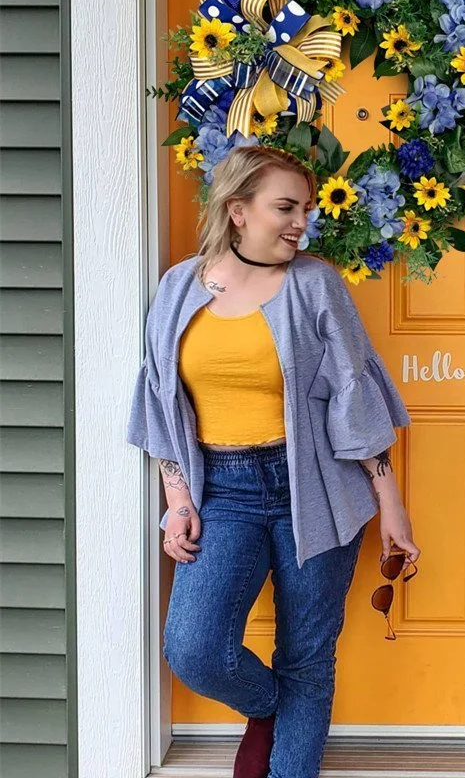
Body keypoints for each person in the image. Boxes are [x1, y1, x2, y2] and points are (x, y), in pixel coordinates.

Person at [126, 144, 420, 778]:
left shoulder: (316, 285)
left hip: (313, 484)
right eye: (285, 207)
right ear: (237, 211)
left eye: (306, 209)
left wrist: (391, 506)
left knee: (308, 656)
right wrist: (177, 500)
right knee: (196, 649)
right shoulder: (178, 288)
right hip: (222, 491)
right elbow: (162, 407)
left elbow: (354, 399)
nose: (300, 223)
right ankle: (271, 709)